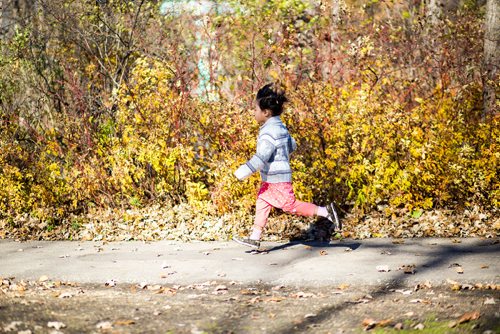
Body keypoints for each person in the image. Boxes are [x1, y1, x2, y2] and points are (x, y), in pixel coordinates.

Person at [232, 82, 341, 249]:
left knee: (290, 205)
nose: (254, 113)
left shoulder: (269, 132)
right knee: (262, 201)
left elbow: (261, 158)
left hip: (277, 178)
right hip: (273, 178)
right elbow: (293, 146)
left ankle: (325, 211)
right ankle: (255, 237)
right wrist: (281, 154)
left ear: (266, 112)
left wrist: (243, 172)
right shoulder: (280, 127)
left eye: (255, 110)